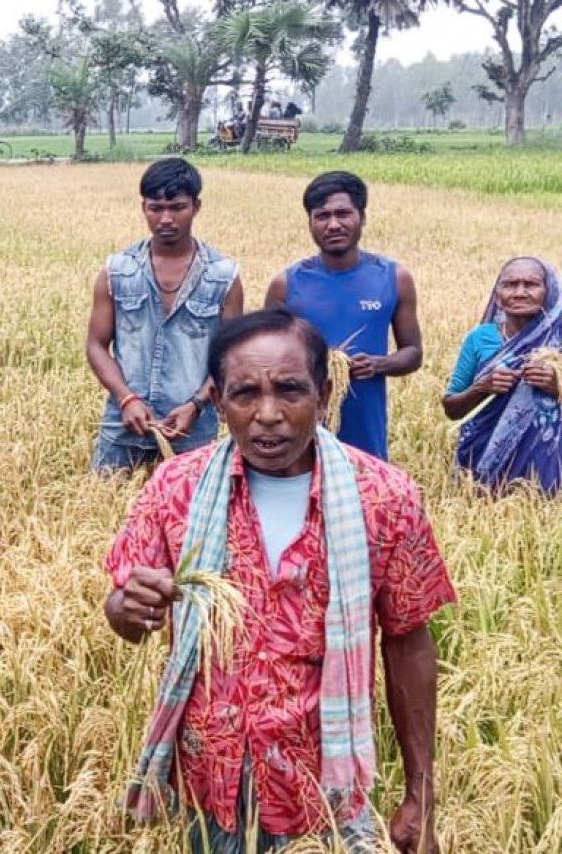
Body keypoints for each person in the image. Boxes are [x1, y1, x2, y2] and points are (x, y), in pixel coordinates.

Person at [104, 309, 454, 854]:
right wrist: (128, 608)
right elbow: (125, 611)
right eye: (245, 394)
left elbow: (409, 641)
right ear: (218, 402)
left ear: (325, 392)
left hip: (327, 787)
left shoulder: (385, 497)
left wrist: (421, 794)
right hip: (212, 783)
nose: (268, 414)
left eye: (289, 390)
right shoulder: (176, 489)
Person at [87, 158, 244, 472]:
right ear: (143, 207)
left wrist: (197, 405)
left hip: (193, 428)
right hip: (124, 424)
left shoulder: (223, 277)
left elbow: (231, 357)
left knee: (186, 517)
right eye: (156, 208)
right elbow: (95, 345)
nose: (166, 218)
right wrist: (126, 398)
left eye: (177, 207)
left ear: (196, 207)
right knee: (105, 513)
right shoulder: (118, 271)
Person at [267, 171, 422, 460]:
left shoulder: (393, 278)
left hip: (366, 430)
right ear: (310, 222)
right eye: (322, 216)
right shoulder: (286, 284)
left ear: (362, 218)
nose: (333, 224)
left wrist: (379, 364)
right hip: (300, 428)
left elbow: (413, 353)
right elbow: (267, 359)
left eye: (343, 214)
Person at [443, 256, 561, 493]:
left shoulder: (558, 339)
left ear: (549, 291)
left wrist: (556, 385)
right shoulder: (480, 338)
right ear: (497, 294)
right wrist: (481, 387)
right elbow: (451, 409)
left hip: (547, 463)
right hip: (482, 458)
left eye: (531, 285)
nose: (519, 292)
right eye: (509, 285)